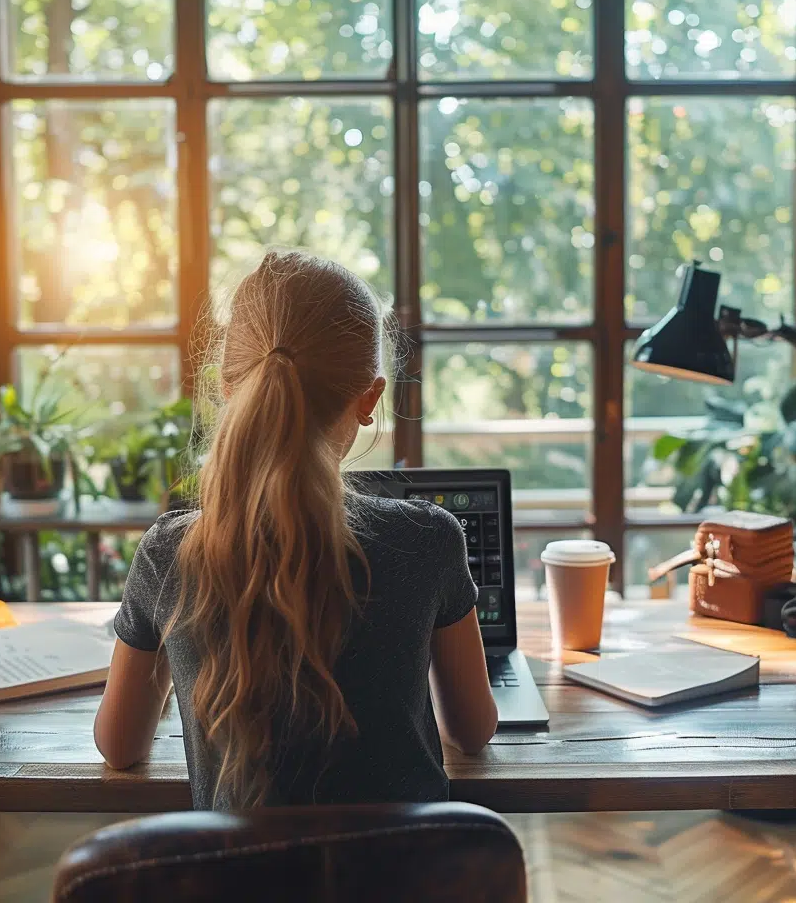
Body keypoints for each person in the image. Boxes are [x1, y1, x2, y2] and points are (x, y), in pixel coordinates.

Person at [94, 249, 497, 810]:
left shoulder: (170, 554)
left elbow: (118, 747)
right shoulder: (427, 543)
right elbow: (472, 732)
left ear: (230, 389)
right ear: (370, 399)